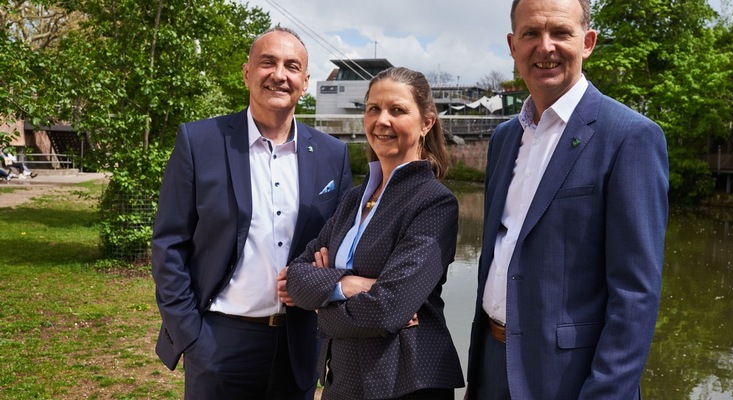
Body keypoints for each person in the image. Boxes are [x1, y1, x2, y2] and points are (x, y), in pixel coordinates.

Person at [465, 0, 669, 398]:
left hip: (567, 379)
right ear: (512, 45)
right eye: (530, 34)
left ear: (587, 42)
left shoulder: (630, 137)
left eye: (560, 32)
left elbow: (635, 296)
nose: (545, 47)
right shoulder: (505, 138)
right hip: (491, 365)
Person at [151, 26, 352, 400]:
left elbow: (342, 247)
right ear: (247, 73)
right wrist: (191, 336)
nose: (279, 74)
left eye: (292, 66)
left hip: (299, 344)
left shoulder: (332, 155)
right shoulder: (199, 142)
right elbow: (169, 244)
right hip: (219, 341)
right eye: (267, 63)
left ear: (305, 82)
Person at [281, 67, 465, 399]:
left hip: (403, 382)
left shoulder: (434, 203)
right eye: (373, 109)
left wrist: (320, 303)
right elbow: (294, 276)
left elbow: (386, 310)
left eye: (397, 110)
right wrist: (347, 285)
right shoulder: (355, 198)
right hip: (344, 380)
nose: (382, 120)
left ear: (426, 122)